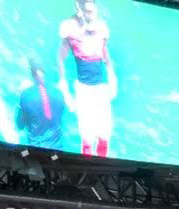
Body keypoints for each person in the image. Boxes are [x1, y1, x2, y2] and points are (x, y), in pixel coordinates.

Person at [56, 0, 117, 157]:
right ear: (80, 11)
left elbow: (106, 57)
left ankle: (101, 168)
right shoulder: (70, 31)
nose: (91, 16)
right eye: (88, 12)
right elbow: (60, 59)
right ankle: (86, 169)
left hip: (101, 89)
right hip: (83, 91)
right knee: (88, 140)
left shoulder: (101, 29)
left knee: (104, 137)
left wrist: (112, 79)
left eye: (93, 12)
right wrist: (65, 91)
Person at [16, 59, 67, 150]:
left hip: (35, 152)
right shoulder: (59, 93)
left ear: (32, 74)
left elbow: (20, 125)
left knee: (19, 155)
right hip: (57, 151)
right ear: (44, 72)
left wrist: (20, 103)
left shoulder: (26, 95)